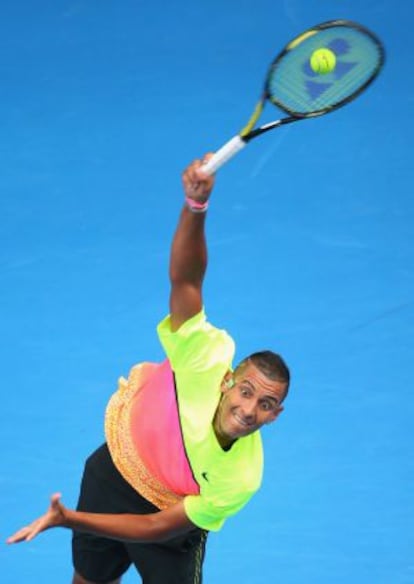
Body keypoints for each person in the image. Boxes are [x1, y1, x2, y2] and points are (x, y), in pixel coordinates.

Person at [7, 154, 290, 584]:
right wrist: (195, 207)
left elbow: (155, 529)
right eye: (247, 391)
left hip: (169, 512)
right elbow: (186, 281)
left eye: (266, 404)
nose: (250, 409)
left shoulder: (241, 477)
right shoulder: (204, 357)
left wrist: (72, 520)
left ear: (275, 416)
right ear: (227, 380)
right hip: (114, 472)